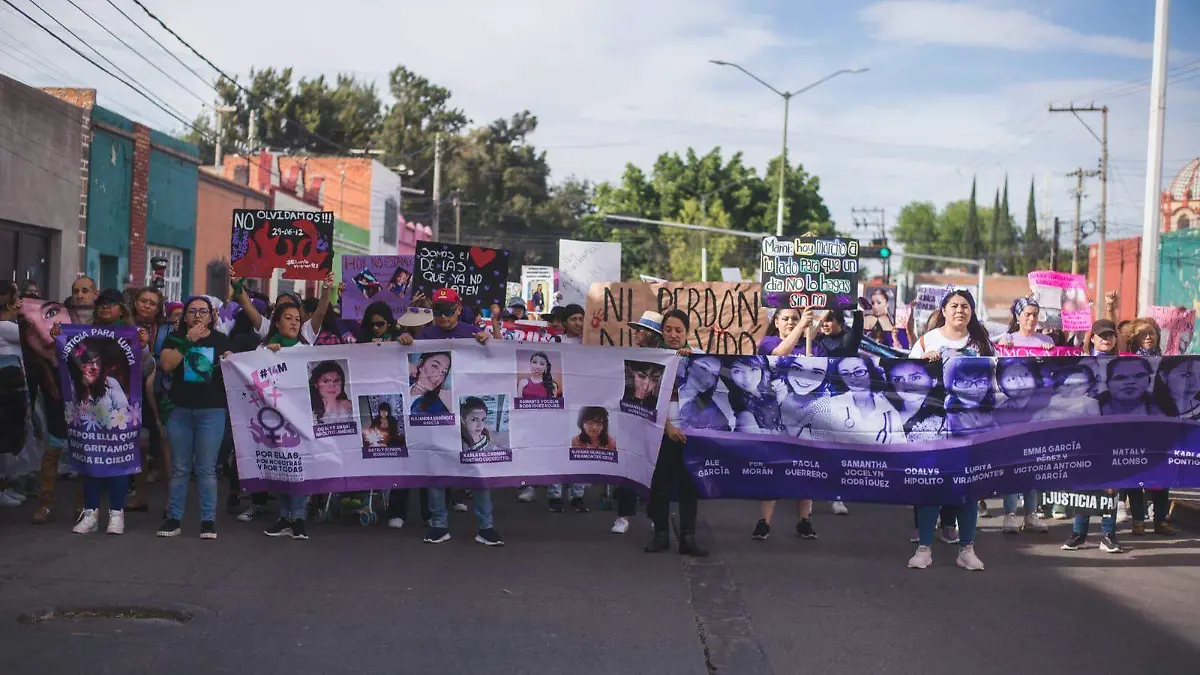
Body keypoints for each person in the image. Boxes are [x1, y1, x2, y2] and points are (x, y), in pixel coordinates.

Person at [402, 288, 500, 546]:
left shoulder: (471, 333)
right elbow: (406, 359)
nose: (442, 316)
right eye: (437, 311)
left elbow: (496, 362)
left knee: (478, 470)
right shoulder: (426, 335)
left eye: (447, 311)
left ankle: (486, 526)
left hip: (465, 413)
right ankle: (438, 525)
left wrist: (488, 342)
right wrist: (402, 342)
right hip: (438, 417)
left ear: (458, 309)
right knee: (437, 469)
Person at [907, 290, 991, 571]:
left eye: (965, 306)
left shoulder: (981, 345)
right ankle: (924, 548)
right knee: (932, 487)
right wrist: (923, 365)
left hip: (969, 428)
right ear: (943, 310)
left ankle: (967, 549)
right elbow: (906, 379)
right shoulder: (926, 341)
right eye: (954, 305)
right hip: (932, 427)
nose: (960, 310)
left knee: (967, 490)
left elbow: (995, 380)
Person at [156, 295, 232, 540]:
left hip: (212, 411)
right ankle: (174, 518)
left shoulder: (221, 340)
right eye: (192, 311)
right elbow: (166, 365)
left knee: (206, 469)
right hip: (180, 410)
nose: (197, 315)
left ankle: (208, 521)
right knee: (179, 468)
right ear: (185, 316)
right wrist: (187, 340)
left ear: (211, 316)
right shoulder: (175, 338)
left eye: (203, 311)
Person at [644, 309, 708, 556]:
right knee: (659, 485)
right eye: (668, 329)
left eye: (678, 330)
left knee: (689, 487)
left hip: (691, 435)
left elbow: (707, 397)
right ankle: (661, 535)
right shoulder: (653, 359)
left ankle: (688, 538)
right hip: (661, 433)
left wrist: (691, 426)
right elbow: (645, 397)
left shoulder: (700, 359)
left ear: (687, 333)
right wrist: (668, 428)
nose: (673, 334)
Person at [752, 356, 828, 541]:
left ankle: (804, 520)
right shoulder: (774, 387)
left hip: (807, 444)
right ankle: (764, 521)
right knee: (772, 476)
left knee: (807, 475)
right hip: (778, 441)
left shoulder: (823, 398)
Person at [994, 359, 1049, 534]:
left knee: (1032, 482)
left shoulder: (1045, 407)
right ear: (1000, 384)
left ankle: (1031, 515)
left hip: (1034, 453)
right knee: (1011, 481)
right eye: (1010, 378)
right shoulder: (999, 411)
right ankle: (1010, 515)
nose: (1019, 382)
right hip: (1010, 455)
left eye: (1025, 375)